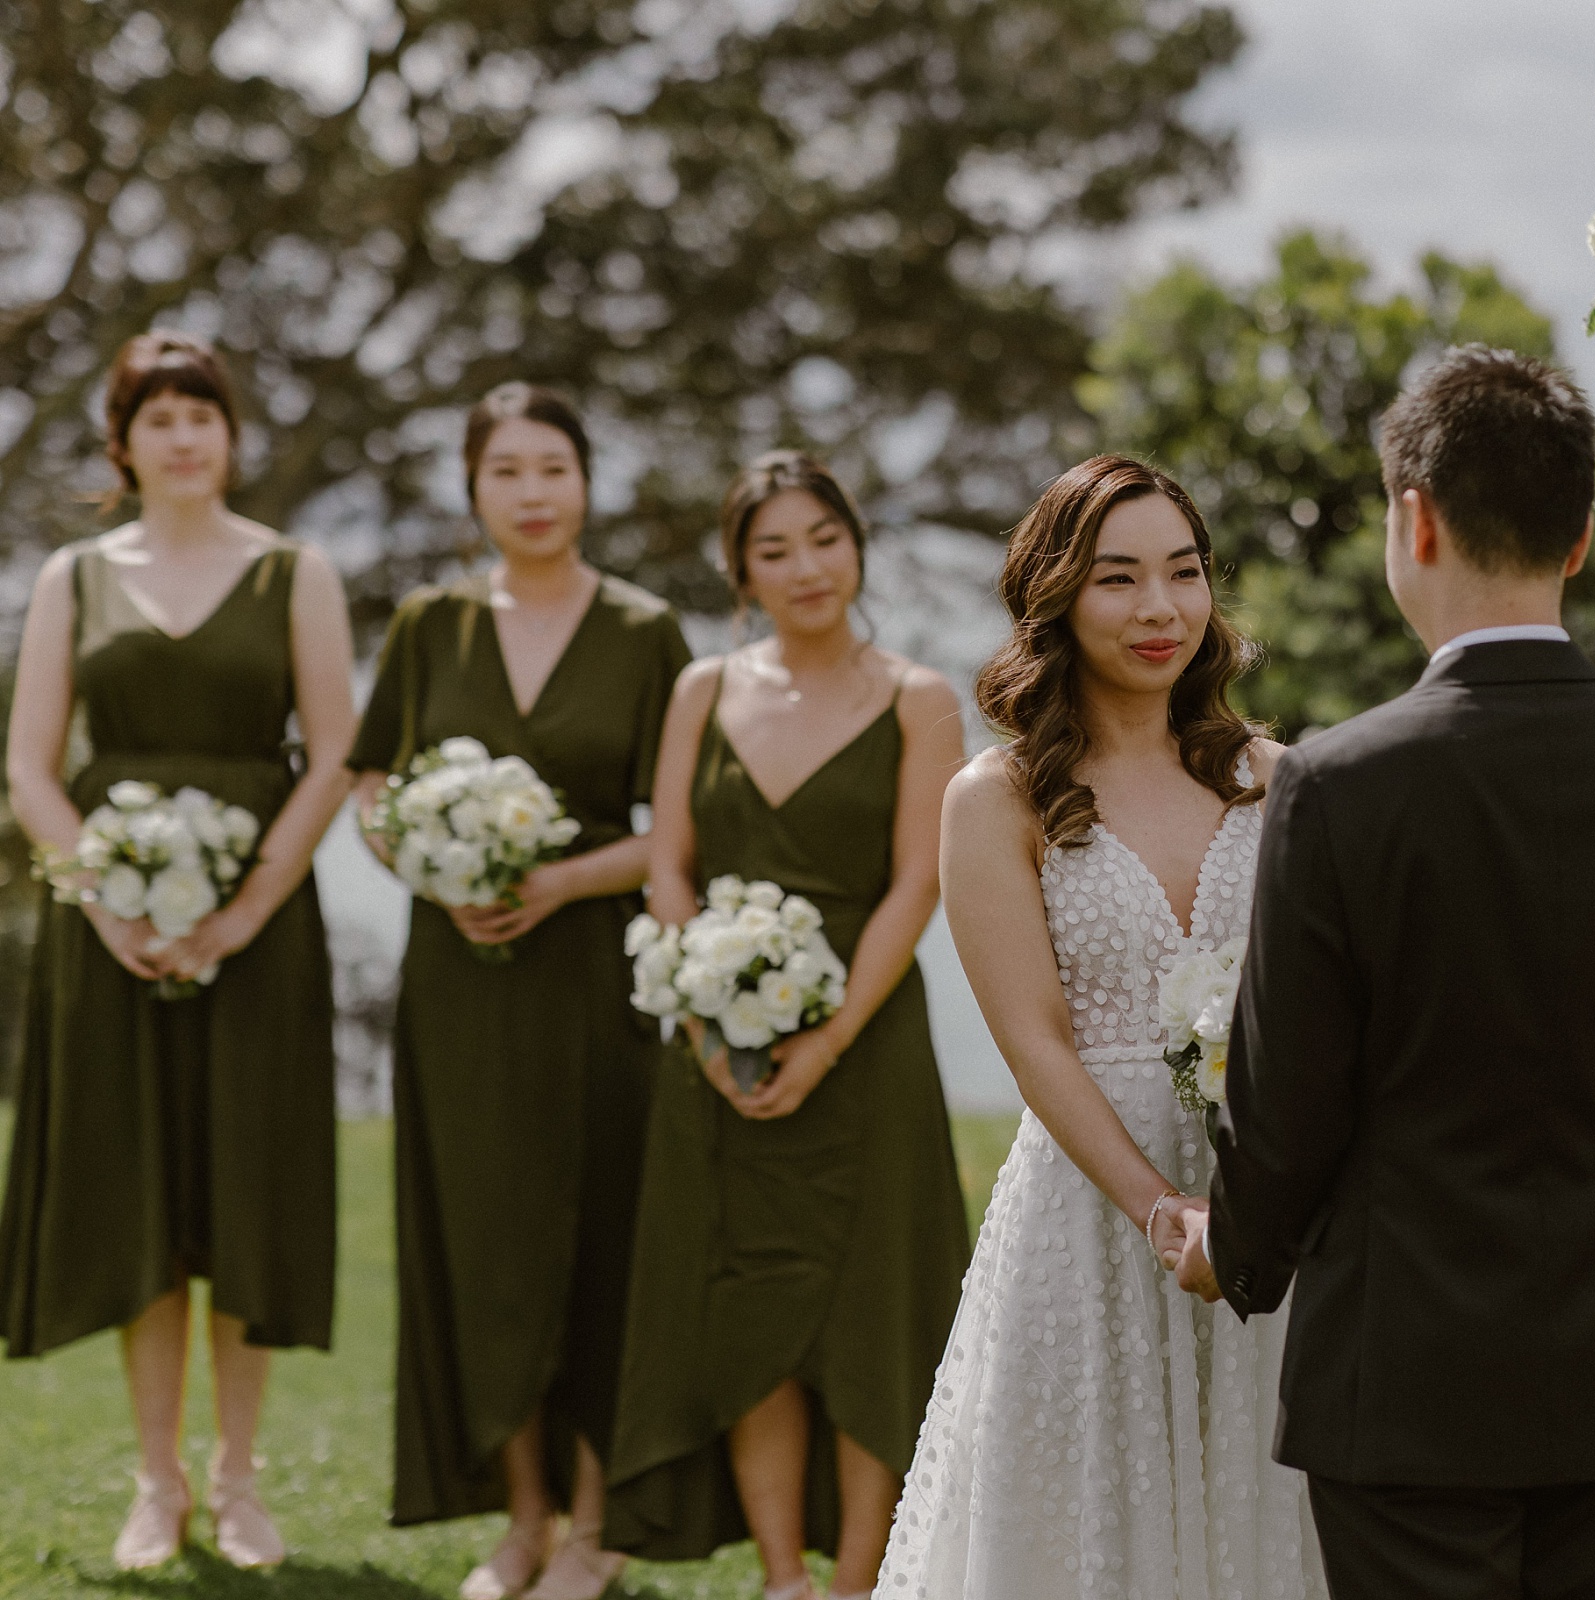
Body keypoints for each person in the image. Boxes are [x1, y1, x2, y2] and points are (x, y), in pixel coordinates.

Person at [1172, 345, 1595, 1600]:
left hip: (1403, 1376)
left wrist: (1235, 1250)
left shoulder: (1340, 784)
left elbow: (1288, 1101)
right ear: (1581, 538)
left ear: (1413, 517)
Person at [876, 456, 1326, 1599]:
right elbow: (1032, 1038)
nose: (1161, 607)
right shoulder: (999, 795)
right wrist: (1162, 1210)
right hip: (1092, 1209)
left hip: (1261, 1202)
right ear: (1059, 596)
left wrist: (1251, 1216)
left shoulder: (1276, 780)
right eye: (1119, 578)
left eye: (1184, 572)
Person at [0, 331, 353, 1570]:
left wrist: (247, 907)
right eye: (158, 417)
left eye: (203, 413)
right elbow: (31, 769)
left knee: (242, 1199)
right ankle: (155, 1483)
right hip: (112, 939)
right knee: (144, 1200)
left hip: (258, 936)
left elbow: (332, 753)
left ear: (230, 435)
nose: (184, 434)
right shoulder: (72, 577)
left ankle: (241, 1477)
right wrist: (108, 905)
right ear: (123, 443)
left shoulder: (295, 572)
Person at [605, 452, 971, 1600]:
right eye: (774, 550)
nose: (805, 566)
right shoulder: (700, 691)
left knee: (872, 1308)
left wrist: (824, 1038)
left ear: (856, 544)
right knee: (744, 1302)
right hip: (714, 1050)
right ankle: (781, 1577)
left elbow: (920, 881)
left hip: (868, 1052)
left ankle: (861, 1576)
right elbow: (669, 863)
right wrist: (705, 1018)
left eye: (824, 537)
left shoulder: (918, 697)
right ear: (740, 574)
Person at [349, 382, 692, 1600]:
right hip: (458, 983)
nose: (534, 492)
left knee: (601, 1233)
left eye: (554, 466)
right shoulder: (427, 625)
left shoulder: (649, 631)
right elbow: (365, 789)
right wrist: (437, 871)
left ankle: (596, 1524)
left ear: (586, 480)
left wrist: (559, 879)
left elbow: (682, 826)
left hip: (595, 981)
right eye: (508, 471)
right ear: (474, 487)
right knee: (481, 1239)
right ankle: (524, 1517)